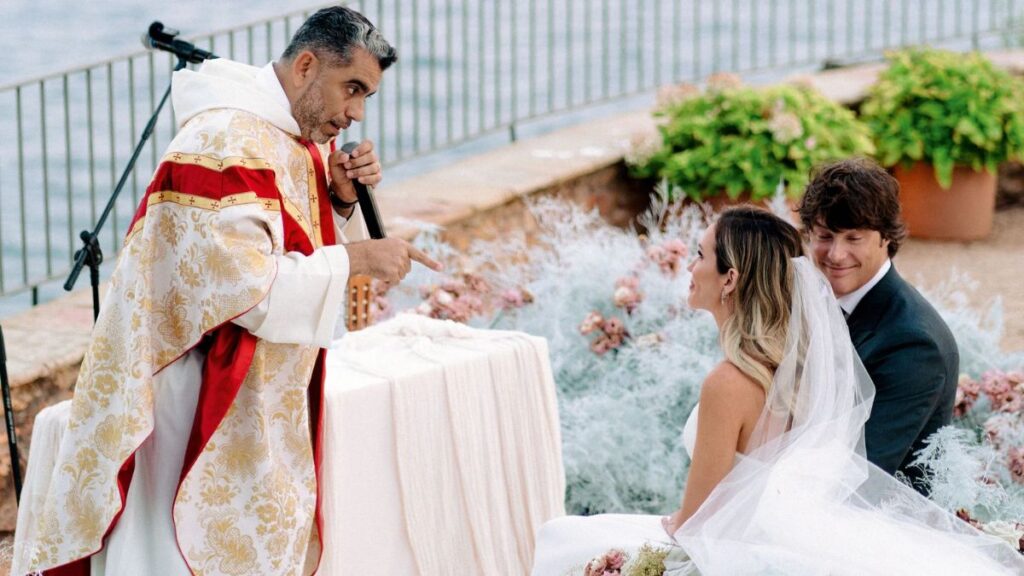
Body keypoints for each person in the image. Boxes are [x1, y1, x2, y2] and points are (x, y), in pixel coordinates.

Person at [12, 6, 440, 576]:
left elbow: (296, 250)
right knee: (172, 549)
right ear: (308, 65)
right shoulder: (222, 142)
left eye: (367, 96)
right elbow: (250, 290)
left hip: (257, 389)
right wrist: (360, 256)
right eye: (352, 89)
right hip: (190, 393)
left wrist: (338, 201)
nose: (356, 114)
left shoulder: (291, 136)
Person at [530, 206, 1023, 575]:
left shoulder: (729, 382)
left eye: (700, 255)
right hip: (795, 535)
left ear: (730, 279)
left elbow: (694, 522)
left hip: (740, 546)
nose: (690, 266)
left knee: (562, 539)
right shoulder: (802, 368)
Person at [798, 157, 958, 490]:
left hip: (880, 521)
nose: (835, 255)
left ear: (885, 237)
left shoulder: (913, 344)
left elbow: (864, 472)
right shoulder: (818, 301)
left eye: (853, 238)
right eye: (825, 236)